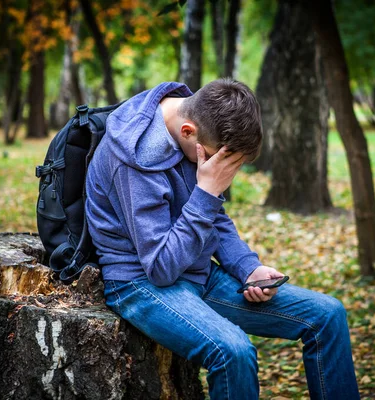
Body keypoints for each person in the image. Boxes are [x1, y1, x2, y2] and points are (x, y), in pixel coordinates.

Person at [85, 78, 360, 399]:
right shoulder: (134, 159)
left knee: (327, 315)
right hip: (140, 284)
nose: (224, 172)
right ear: (187, 131)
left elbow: (213, 216)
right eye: (221, 160)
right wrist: (206, 190)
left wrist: (248, 267)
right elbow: (160, 268)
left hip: (198, 272)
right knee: (233, 352)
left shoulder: (196, 128)